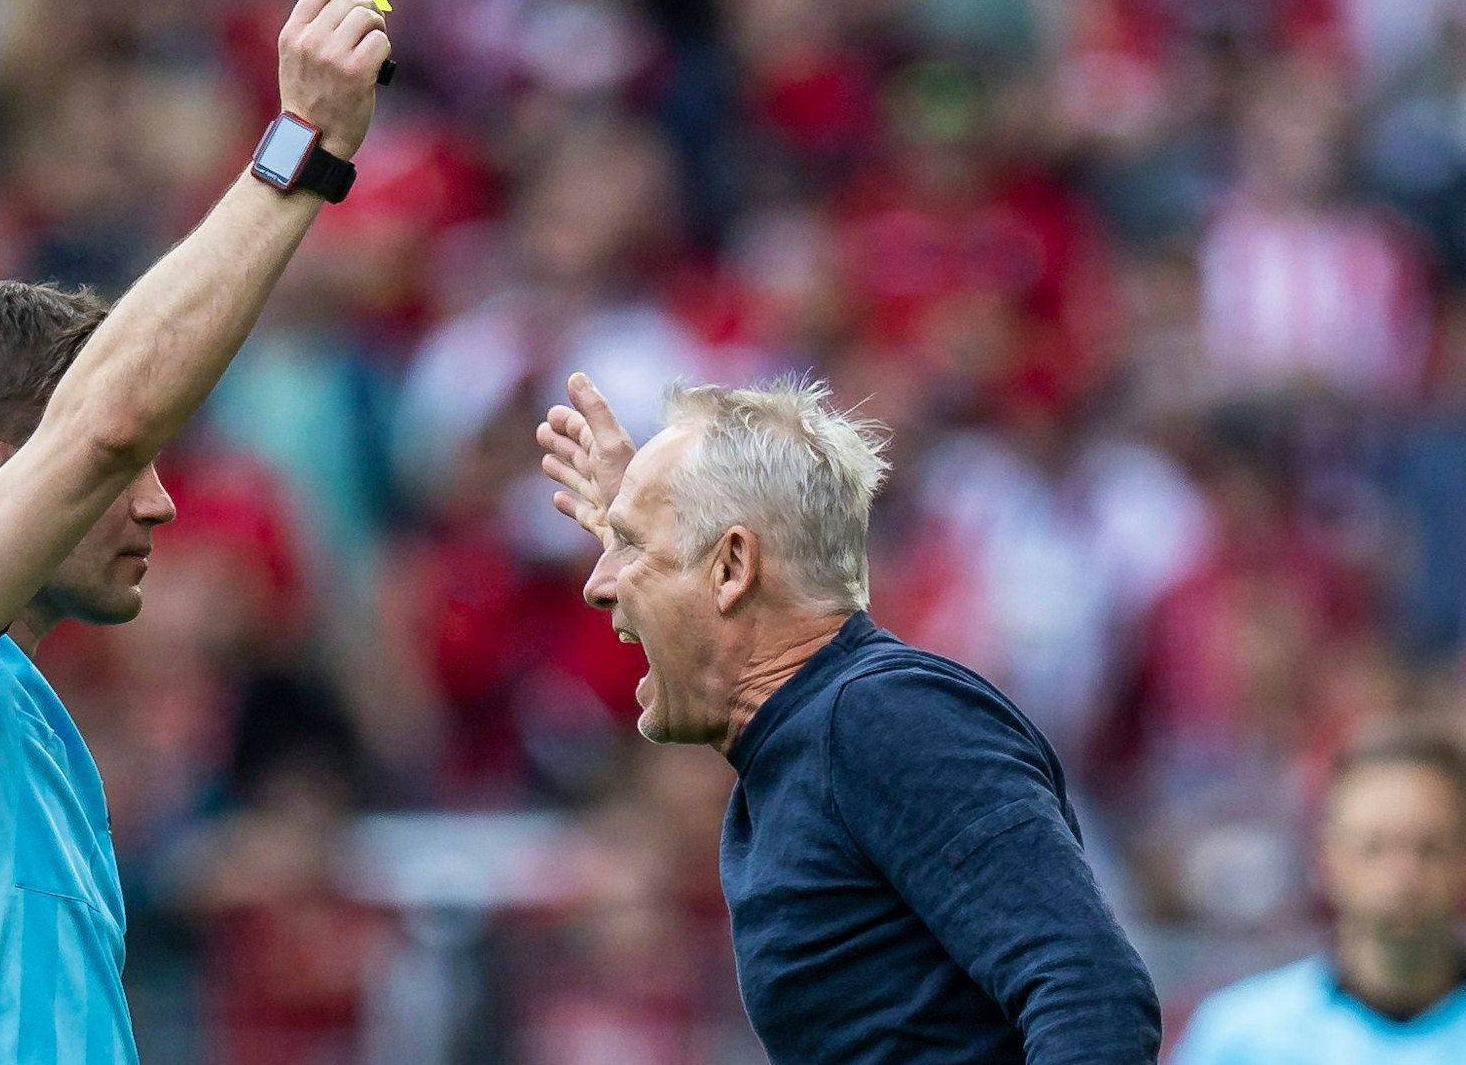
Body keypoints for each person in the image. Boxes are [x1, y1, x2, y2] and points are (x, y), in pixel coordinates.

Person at [0, 0, 390, 1064]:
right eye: (128, 470)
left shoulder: (44, 739)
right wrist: (302, 146)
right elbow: (106, 422)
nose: (160, 501)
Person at [535, 372, 1162, 1063]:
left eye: (629, 547)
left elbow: (1092, 996)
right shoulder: (813, 739)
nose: (598, 586)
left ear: (732, 566)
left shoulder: (885, 717)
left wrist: (665, 539)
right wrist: (652, 530)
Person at [1172, 731, 1466, 1064]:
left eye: (1429, 847)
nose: (1403, 874)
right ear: (1326, 858)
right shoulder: (1238, 1039)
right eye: (1374, 847)